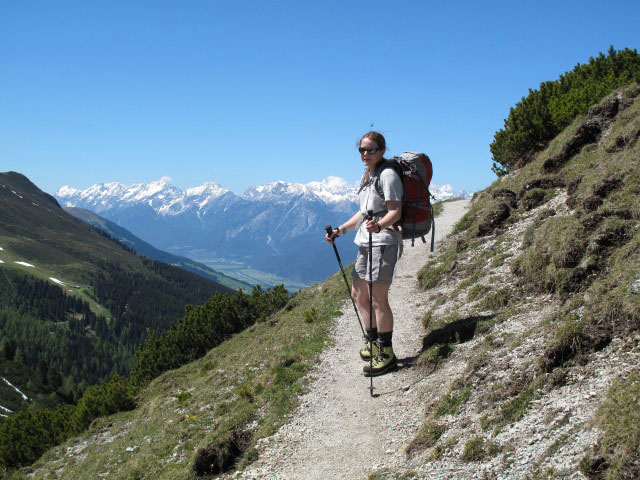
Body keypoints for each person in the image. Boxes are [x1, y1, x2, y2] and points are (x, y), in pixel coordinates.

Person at [326, 131, 402, 376]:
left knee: (378, 298)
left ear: (381, 150)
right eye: (361, 150)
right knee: (359, 294)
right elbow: (362, 213)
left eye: (370, 150)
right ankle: (372, 340)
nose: (365, 154)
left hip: (383, 242)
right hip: (365, 242)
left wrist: (380, 225)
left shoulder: (388, 175)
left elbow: (396, 211)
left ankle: (387, 352)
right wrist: (341, 230)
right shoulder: (368, 176)